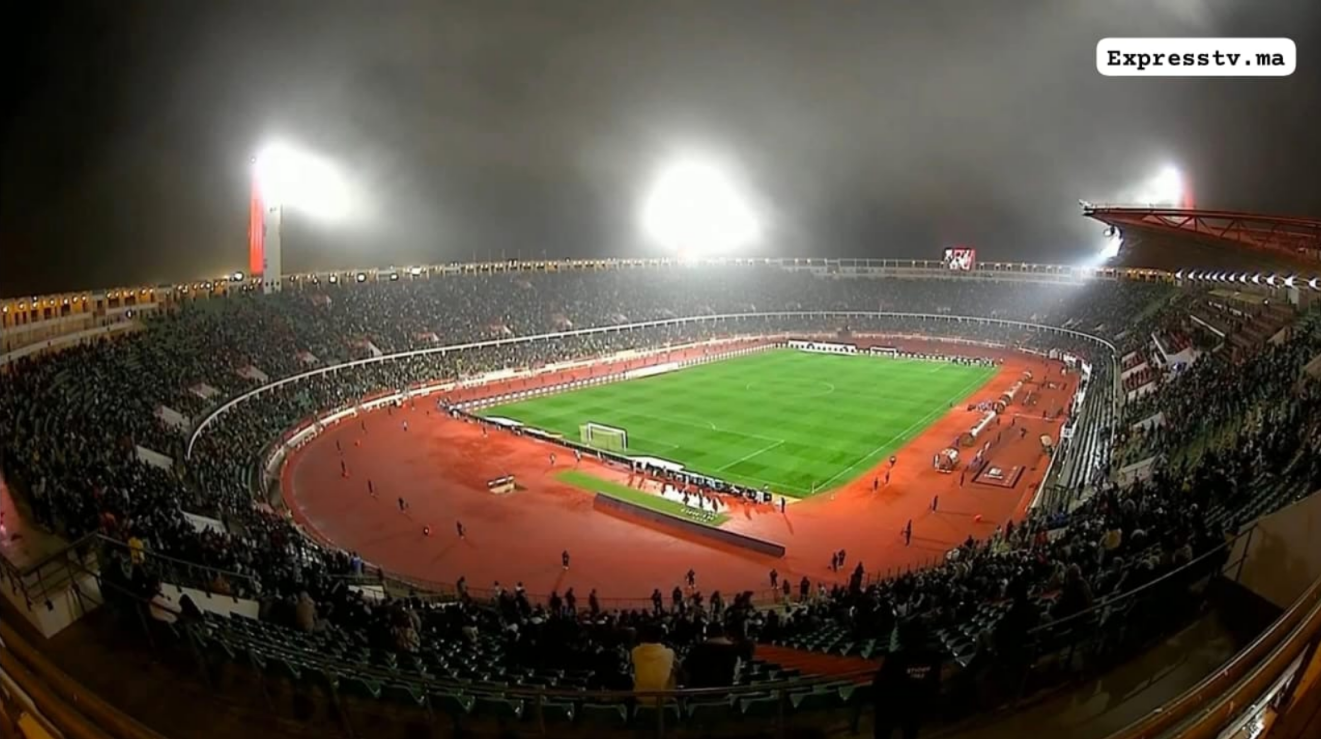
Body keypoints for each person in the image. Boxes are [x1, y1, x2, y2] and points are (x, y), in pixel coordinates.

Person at [873, 619, 942, 739]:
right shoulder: (935, 656)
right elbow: (934, 682)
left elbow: (880, 685)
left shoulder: (895, 658)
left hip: (896, 705)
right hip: (918, 704)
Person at [631, 625, 676, 701]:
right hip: (665, 698)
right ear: (661, 637)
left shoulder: (635, 652)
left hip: (641, 698)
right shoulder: (670, 653)